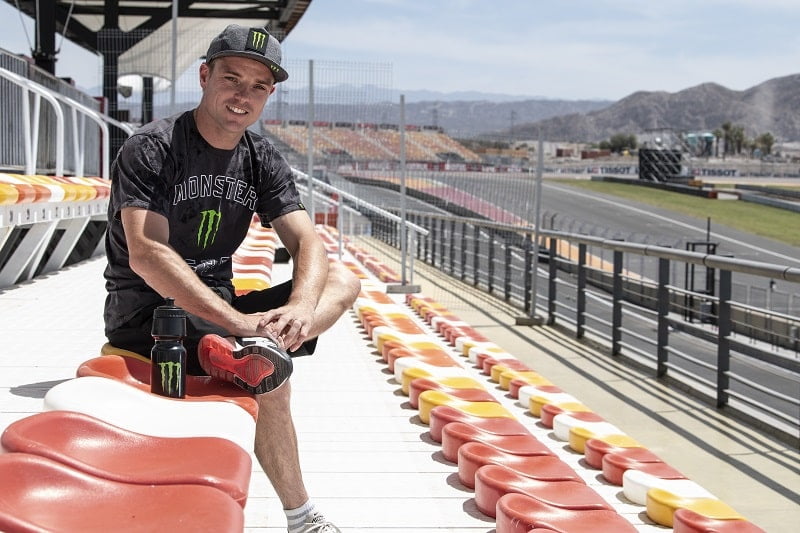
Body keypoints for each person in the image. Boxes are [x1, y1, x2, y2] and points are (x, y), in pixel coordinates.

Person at [103, 24, 361, 533]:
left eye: (258, 86)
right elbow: (148, 254)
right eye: (231, 79)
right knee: (269, 374)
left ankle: (258, 346)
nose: (243, 96)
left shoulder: (260, 157)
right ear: (204, 76)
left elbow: (307, 243)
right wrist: (241, 324)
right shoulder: (153, 147)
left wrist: (297, 310)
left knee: (343, 281)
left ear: (269, 95)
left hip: (224, 313)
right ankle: (303, 519)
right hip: (151, 315)